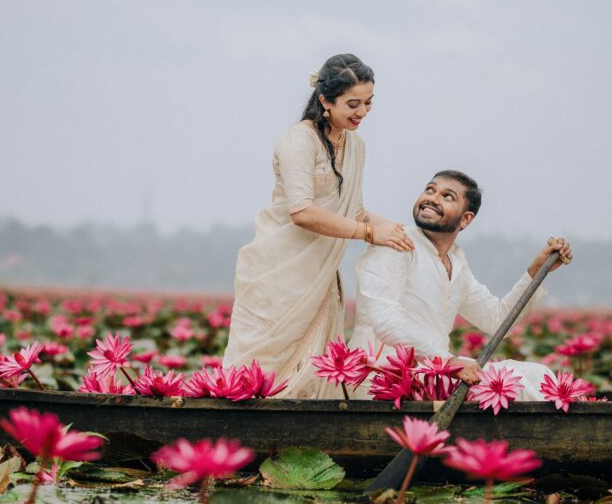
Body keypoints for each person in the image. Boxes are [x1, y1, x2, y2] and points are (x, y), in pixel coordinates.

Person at [223, 54, 414, 398]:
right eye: (352, 103)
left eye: (368, 103)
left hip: (321, 275)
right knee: (260, 369)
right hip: (280, 270)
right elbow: (303, 212)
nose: (362, 112)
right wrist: (369, 234)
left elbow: (354, 211)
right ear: (325, 100)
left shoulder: (356, 145)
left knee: (313, 370)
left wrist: (404, 235)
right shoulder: (300, 140)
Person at [348, 170, 573, 397]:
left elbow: (497, 321)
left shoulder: (456, 264)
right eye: (430, 189)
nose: (432, 198)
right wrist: (450, 362)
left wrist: (535, 272)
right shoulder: (395, 244)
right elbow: (386, 321)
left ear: (466, 218)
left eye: (448, 196)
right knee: (519, 385)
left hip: (434, 375)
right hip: (384, 379)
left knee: (538, 374)